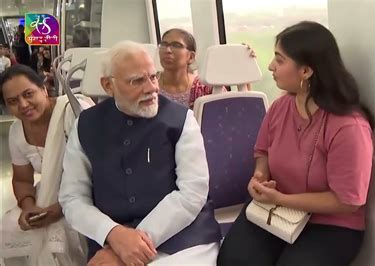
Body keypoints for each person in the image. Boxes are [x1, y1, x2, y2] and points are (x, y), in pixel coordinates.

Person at [217, 21, 375, 266]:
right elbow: (263, 151)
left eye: (279, 60)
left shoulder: (348, 127)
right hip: (273, 210)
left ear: (306, 71)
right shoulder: (280, 107)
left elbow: (347, 202)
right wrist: (259, 176)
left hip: (329, 224)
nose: (270, 66)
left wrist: (279, 198)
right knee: (234, 261)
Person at [58, 40, 222, 266]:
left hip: (184, 238)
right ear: (108, 86)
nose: (152, 88)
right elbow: (73, 198)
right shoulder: (86, 125)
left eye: (153, 77)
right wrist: (114, 234)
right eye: (137, 81)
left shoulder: (181, 120)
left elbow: (192, 193)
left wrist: (132, 243)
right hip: (111, 240)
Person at [0, 65, 91, 265]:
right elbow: (22, 179)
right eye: (13, 101)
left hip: (90, 193)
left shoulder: (73, 111)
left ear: (43, 88)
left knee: (63, 232)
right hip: (49, 196)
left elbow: (102, 167)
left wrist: (62, 208)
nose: (23, 105)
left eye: (28, 94)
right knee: (9, 226)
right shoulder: (17, 132)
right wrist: (28, 207)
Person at [158, 28, 252, 109]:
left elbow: (230, 118)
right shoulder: (148, 85)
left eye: (176, 45)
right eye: (164, 44)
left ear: (191, 57)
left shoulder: (207, 89)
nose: (167, 50)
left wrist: (245, 62)